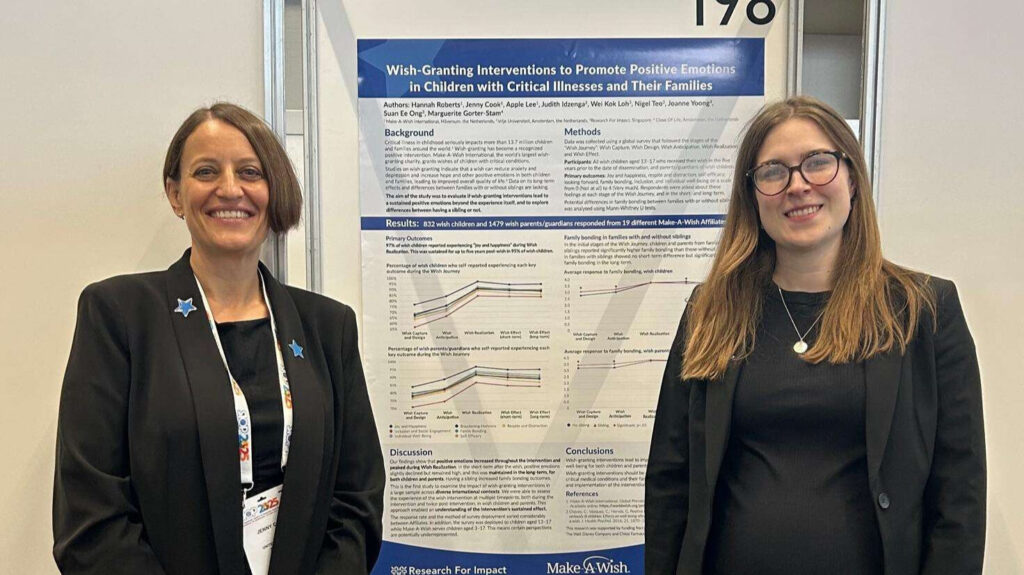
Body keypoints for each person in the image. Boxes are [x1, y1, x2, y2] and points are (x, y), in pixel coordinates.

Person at [644, 96, 985, 575]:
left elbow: (960, 492)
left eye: (818, 162)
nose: (798, 185)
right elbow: (670, 480)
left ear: (851, 178)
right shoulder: (711, 311)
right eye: (773, 171)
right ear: (753, 195)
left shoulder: (923, 310)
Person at [53, 102, 385, 575]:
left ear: (274, 189)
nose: (230, 189)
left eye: (250, 172)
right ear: (175, 193)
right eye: (206, 171)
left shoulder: (328, 327)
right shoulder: (119, 315)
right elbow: (90, 516)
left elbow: (356, 501)